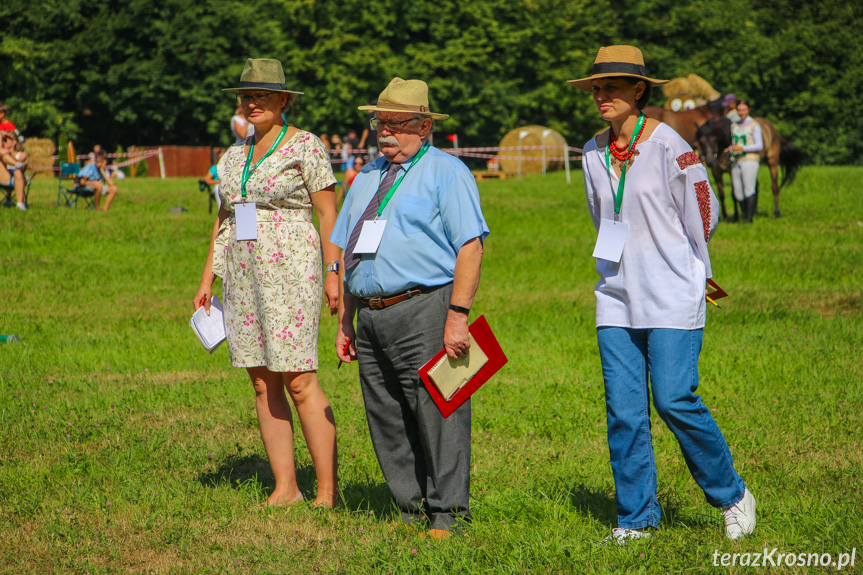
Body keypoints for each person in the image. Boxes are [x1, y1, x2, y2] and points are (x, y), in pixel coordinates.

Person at [569, 45, 756, 544]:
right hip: (616, 295)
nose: (601, 96)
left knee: (674, 399)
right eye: (595, 88)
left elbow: (705, 209)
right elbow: (601, 218)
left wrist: (689, 267)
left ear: (639, 91)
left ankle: (732, 494)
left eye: (611, 87)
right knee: (624, 412)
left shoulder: (670, 143)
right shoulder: (591, 152)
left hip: (672, 290)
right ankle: (636, 518)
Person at [332, 78, 489, 539]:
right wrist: (346, 318)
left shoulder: (447, 172)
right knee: (386, 415)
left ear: (424, 126)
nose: (385, 132)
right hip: (369, 314)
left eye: (397, 124)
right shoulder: (365, 175)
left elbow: (471, 247)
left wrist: (457, 316)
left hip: (428, 308)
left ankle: (449, 515)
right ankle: (410, 508)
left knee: (441, 413)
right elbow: (348, 249)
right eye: (380, 122)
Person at [193, 58, 340, 508]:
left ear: (282, 100)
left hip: (292, 271)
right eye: (245, 97)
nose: (251, 103)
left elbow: (329, 213)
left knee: (299, 379)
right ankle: (286, 487)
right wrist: (207, 279)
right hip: (242, 275)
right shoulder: (233, 156)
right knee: (261, 380)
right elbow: (223, 219)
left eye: (261, 96)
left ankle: (328, 493)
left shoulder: (307, 146)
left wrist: (335, 271)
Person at [729, 99, 762, 224]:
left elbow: (759, 145)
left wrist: (743, 148)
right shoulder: (734, 125)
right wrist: (731, 148)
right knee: (738, 191)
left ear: (748, 110)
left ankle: (749, 218)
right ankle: (745, 214)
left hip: (749, 159)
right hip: (736, 160)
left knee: (749, 188)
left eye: (744, 110)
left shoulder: (754, 125)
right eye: (739, 110)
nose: (741, 112)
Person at [0, 131, 27, 210]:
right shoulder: (3, 153)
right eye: (2, 140)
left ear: (14, 142)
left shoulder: (20, 154)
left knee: (18, 171)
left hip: (16, 179)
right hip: (6, 177)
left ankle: (19, 203)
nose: (3, 142)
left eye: (5, 140)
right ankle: (17, 164)